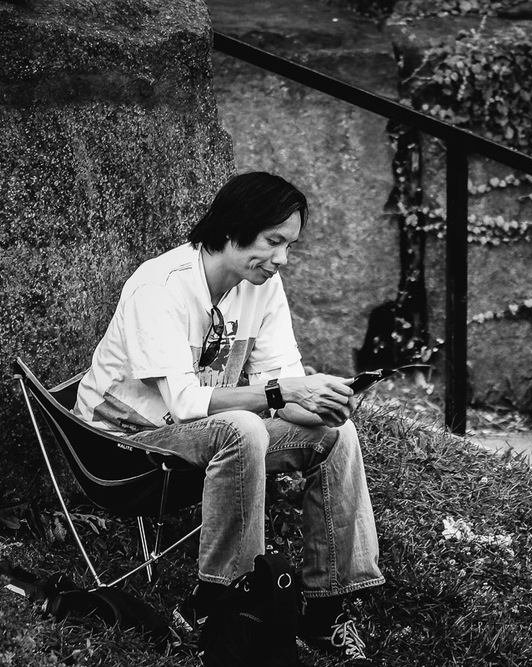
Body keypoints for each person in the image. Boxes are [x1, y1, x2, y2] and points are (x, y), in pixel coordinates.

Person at [74, 171, 384, 662]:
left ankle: (329, 607)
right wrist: (284, 392)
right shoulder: (160, 286)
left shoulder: (262, 288)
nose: (282, 259)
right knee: (241, 427)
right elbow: (183, 403)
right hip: (121, 446)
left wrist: (322, 401)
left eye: (289, 246)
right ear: (233, 229)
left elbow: (282, 381)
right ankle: (221, 601)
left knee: (334, 433)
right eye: (273, 241)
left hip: (200, 438)